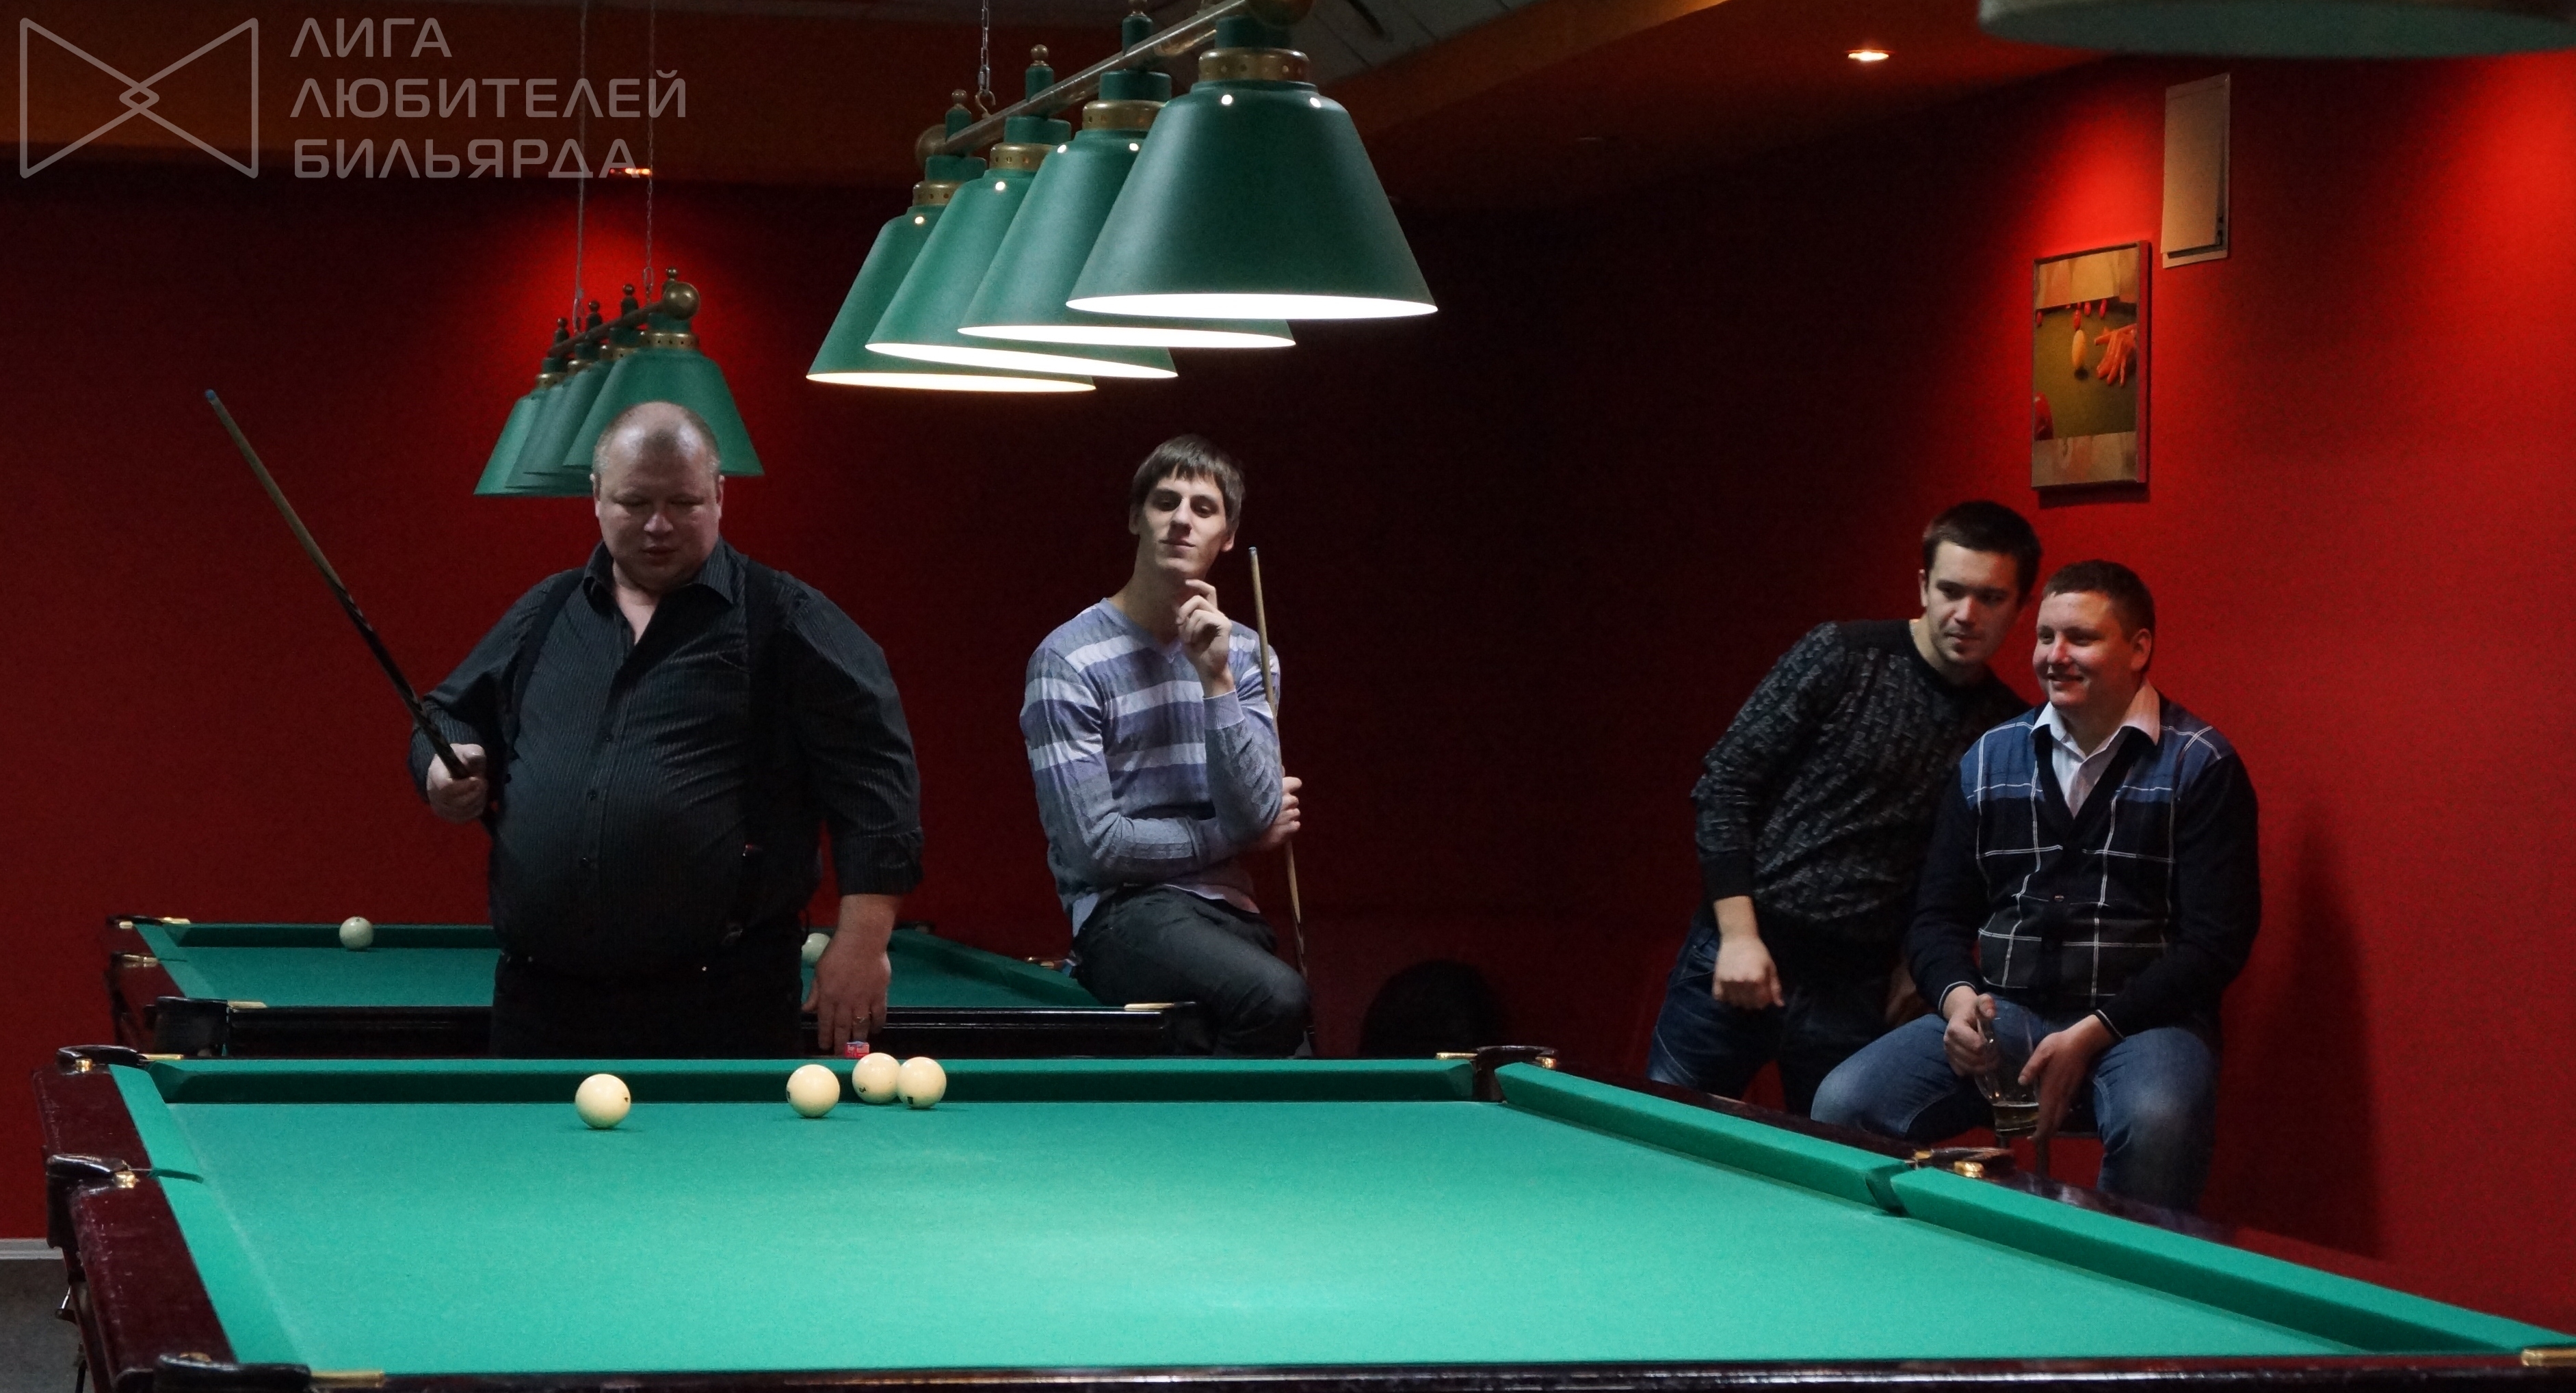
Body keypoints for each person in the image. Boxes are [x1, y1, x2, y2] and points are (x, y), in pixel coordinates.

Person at [412, 401, 924, 1058]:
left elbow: (876, 782)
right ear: (597, 497)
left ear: (719, 495)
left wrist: (863, 943)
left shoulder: (785, 619)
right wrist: (442, 765)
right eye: (635, 503)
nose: (659, 525)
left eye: (683, 503)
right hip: (539, 1003)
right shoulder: (547, 611)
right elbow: (444, 714)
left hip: (721, 1005)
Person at [1812, 561, 2258, 1212]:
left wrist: (2094, 1031)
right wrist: (1957, 1000)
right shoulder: (1989, 757)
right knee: (1843, 1100)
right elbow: (1936, 917)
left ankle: (2115, 1273)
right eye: (2046, 636)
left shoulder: (2200, 763)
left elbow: (2216, 944)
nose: (2055, 655)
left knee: (2159, 1121)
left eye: (2081, 637)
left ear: (2139, 648)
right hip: (2008, 1011)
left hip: (2144, 1024)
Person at [1647, 501, 2040, 1115]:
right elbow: (1725, 783)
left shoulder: (2006, 727)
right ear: (1923, 585)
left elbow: (1970, 871)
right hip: (1743, 950)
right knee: (1667, 1135)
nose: (1966, 614)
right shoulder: (1842, 654)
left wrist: (1919, 966)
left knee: (1832, 1159)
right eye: (1951, 590)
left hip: (1857, 986)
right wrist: (1740, 936)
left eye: (1990, 598)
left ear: (2020, 607)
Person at [1019, 436, 1306, 1055]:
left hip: (1231, 916)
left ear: (1227, 536)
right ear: (1135, 517)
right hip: (1123, 915)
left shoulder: (1247, 655)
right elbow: (1096, 849)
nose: (1181, 519)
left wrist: (1216, 680)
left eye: (1203, 508)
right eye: (1165, 501)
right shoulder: (1067, 660)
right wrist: (1232, 836)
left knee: (1276, 1038)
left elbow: (1253, 806)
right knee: (1278, 1000)